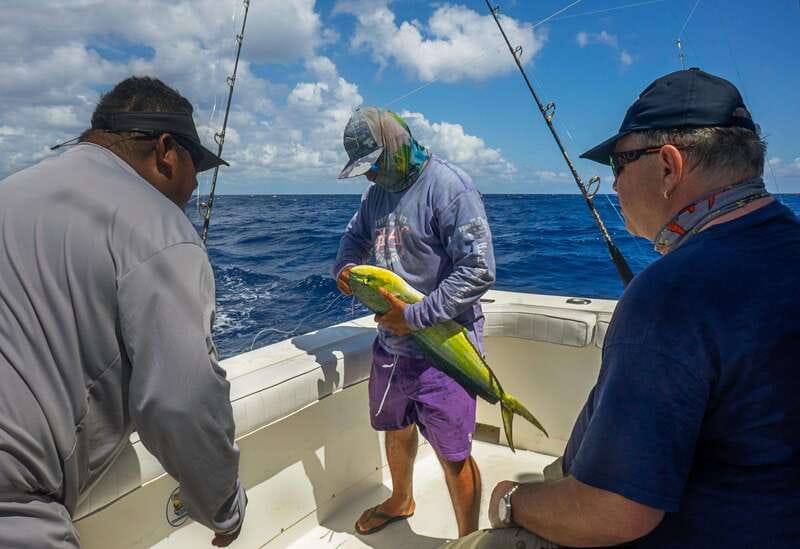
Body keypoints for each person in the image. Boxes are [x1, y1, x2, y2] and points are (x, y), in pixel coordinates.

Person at [445, 68, 800, 548]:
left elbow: (614, 514)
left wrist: (508, 499)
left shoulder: (673, 294)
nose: (612, 184)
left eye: (620, 163)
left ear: (670, 166)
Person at [0, 76, 247, 548]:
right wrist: (223, 507)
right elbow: (181, 400)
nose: (195, 184)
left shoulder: (12, 189)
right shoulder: (161, 224)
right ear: (165, 150)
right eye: (197, 166)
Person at [333, 107, 496, 538]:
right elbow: (354, 236)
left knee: (453, 453)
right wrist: (346, 267)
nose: (370, 177)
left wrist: (416, 317)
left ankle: (469, 539)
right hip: (391, 346)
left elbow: (479, 269)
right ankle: (401, 499)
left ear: (396, 147)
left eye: (374, 166)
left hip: (445, 350)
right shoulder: (377, 193)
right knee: (395, 426)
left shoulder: (449, 187)